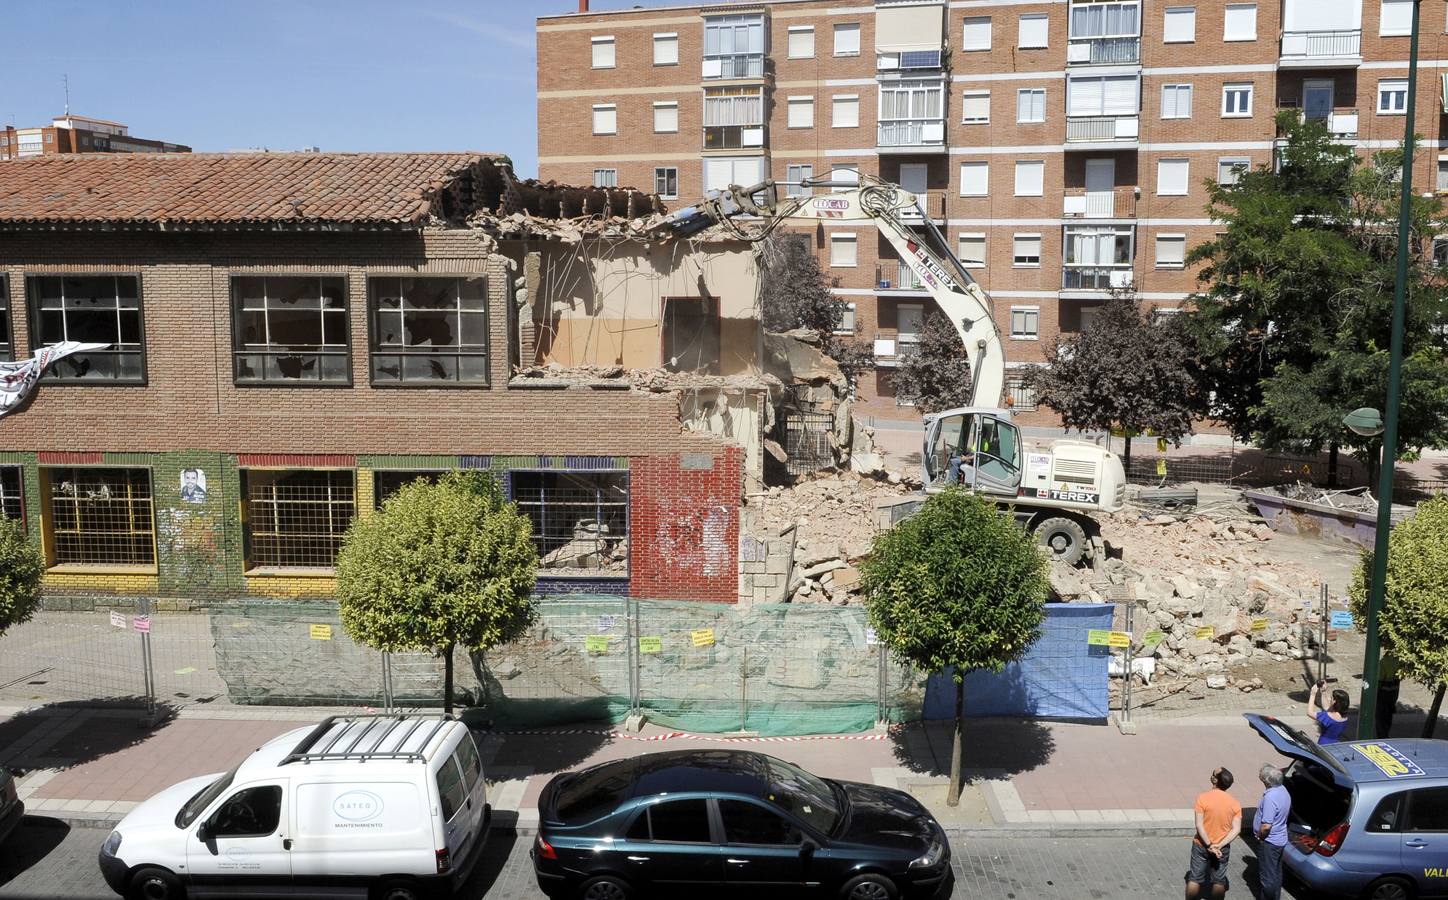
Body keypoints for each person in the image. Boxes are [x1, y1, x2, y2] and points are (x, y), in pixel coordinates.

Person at [1188, 767, 1242, 900]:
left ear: (1214, 780)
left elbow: (1199, 825)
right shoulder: (1235, 803)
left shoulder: (1203, 798)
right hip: (1222, 848)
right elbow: (1236, 829)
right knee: (1219, 881)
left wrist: (1210, 845)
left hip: (1201, 844)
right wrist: (1219, 845)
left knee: (1195, 879)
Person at [1254, 764, 1290, 900]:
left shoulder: (1270, 797)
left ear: (1266, 780)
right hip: (1280, 838)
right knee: (1276, 872)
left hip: (1269, 841)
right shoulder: (1283, 790)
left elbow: (1266, 826)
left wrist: (1260, 837)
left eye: (1261, 776)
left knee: (1267, 878)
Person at [1377, 654, 1402, 738]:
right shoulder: (1398, 661)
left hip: (1383, 695)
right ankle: (1385, 735)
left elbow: (1379, 681)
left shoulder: (1383, 662)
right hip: (1393, 694)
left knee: (1380, 720)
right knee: (1388, 718)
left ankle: (1382, 737)